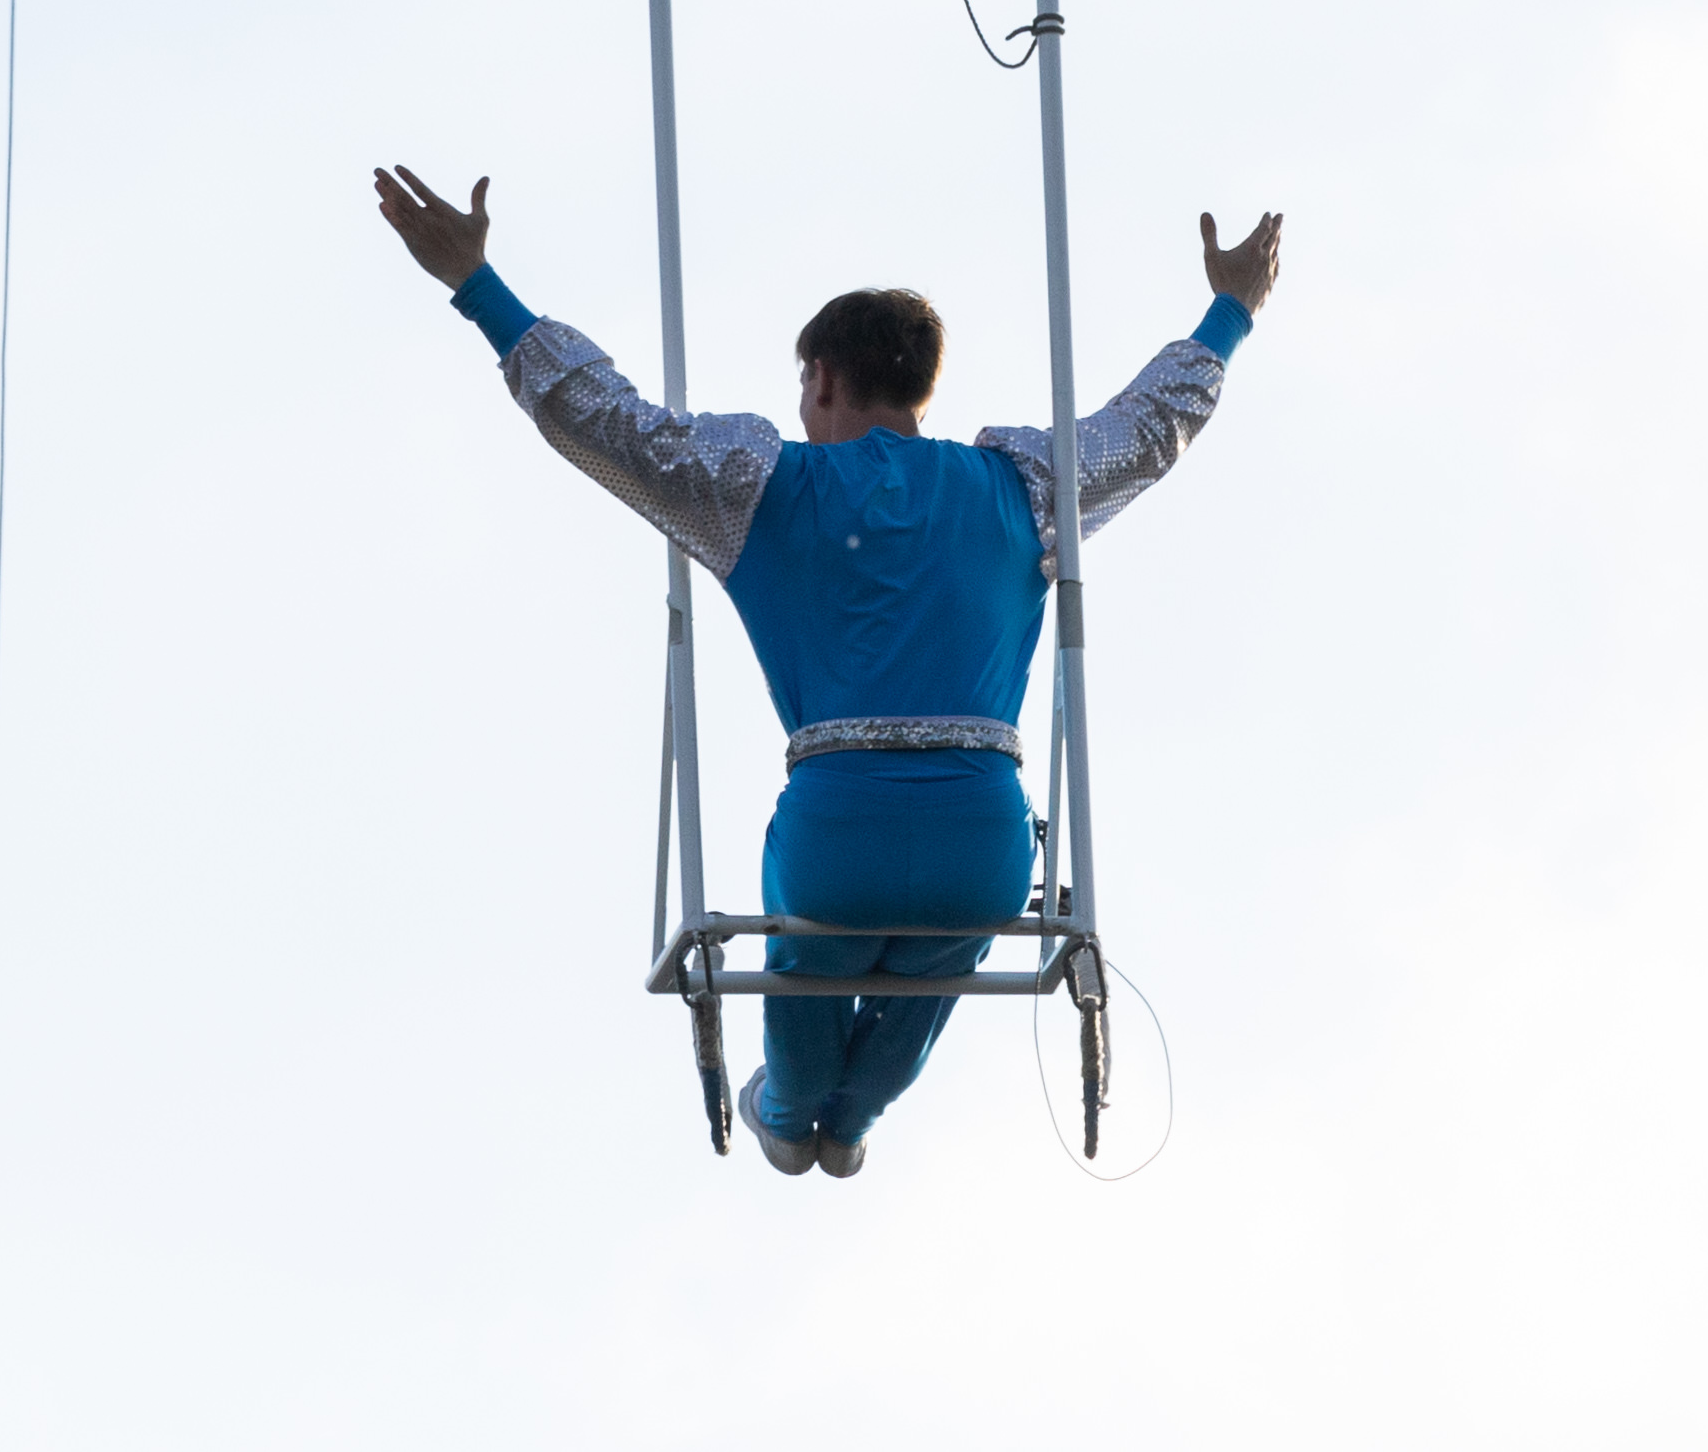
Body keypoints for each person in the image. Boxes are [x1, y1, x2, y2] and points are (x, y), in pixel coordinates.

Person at [373, 157, 1277, 1176]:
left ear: (823, 379)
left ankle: (794, 1109)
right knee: (930, 974)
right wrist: (1231, 309)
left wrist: (477, 286)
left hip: (838, 829)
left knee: (806, 976)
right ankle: (851, 1124)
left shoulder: (759, 485)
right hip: (977, 836)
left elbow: (599, 416)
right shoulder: (1023, 485)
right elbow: (1150, 426)